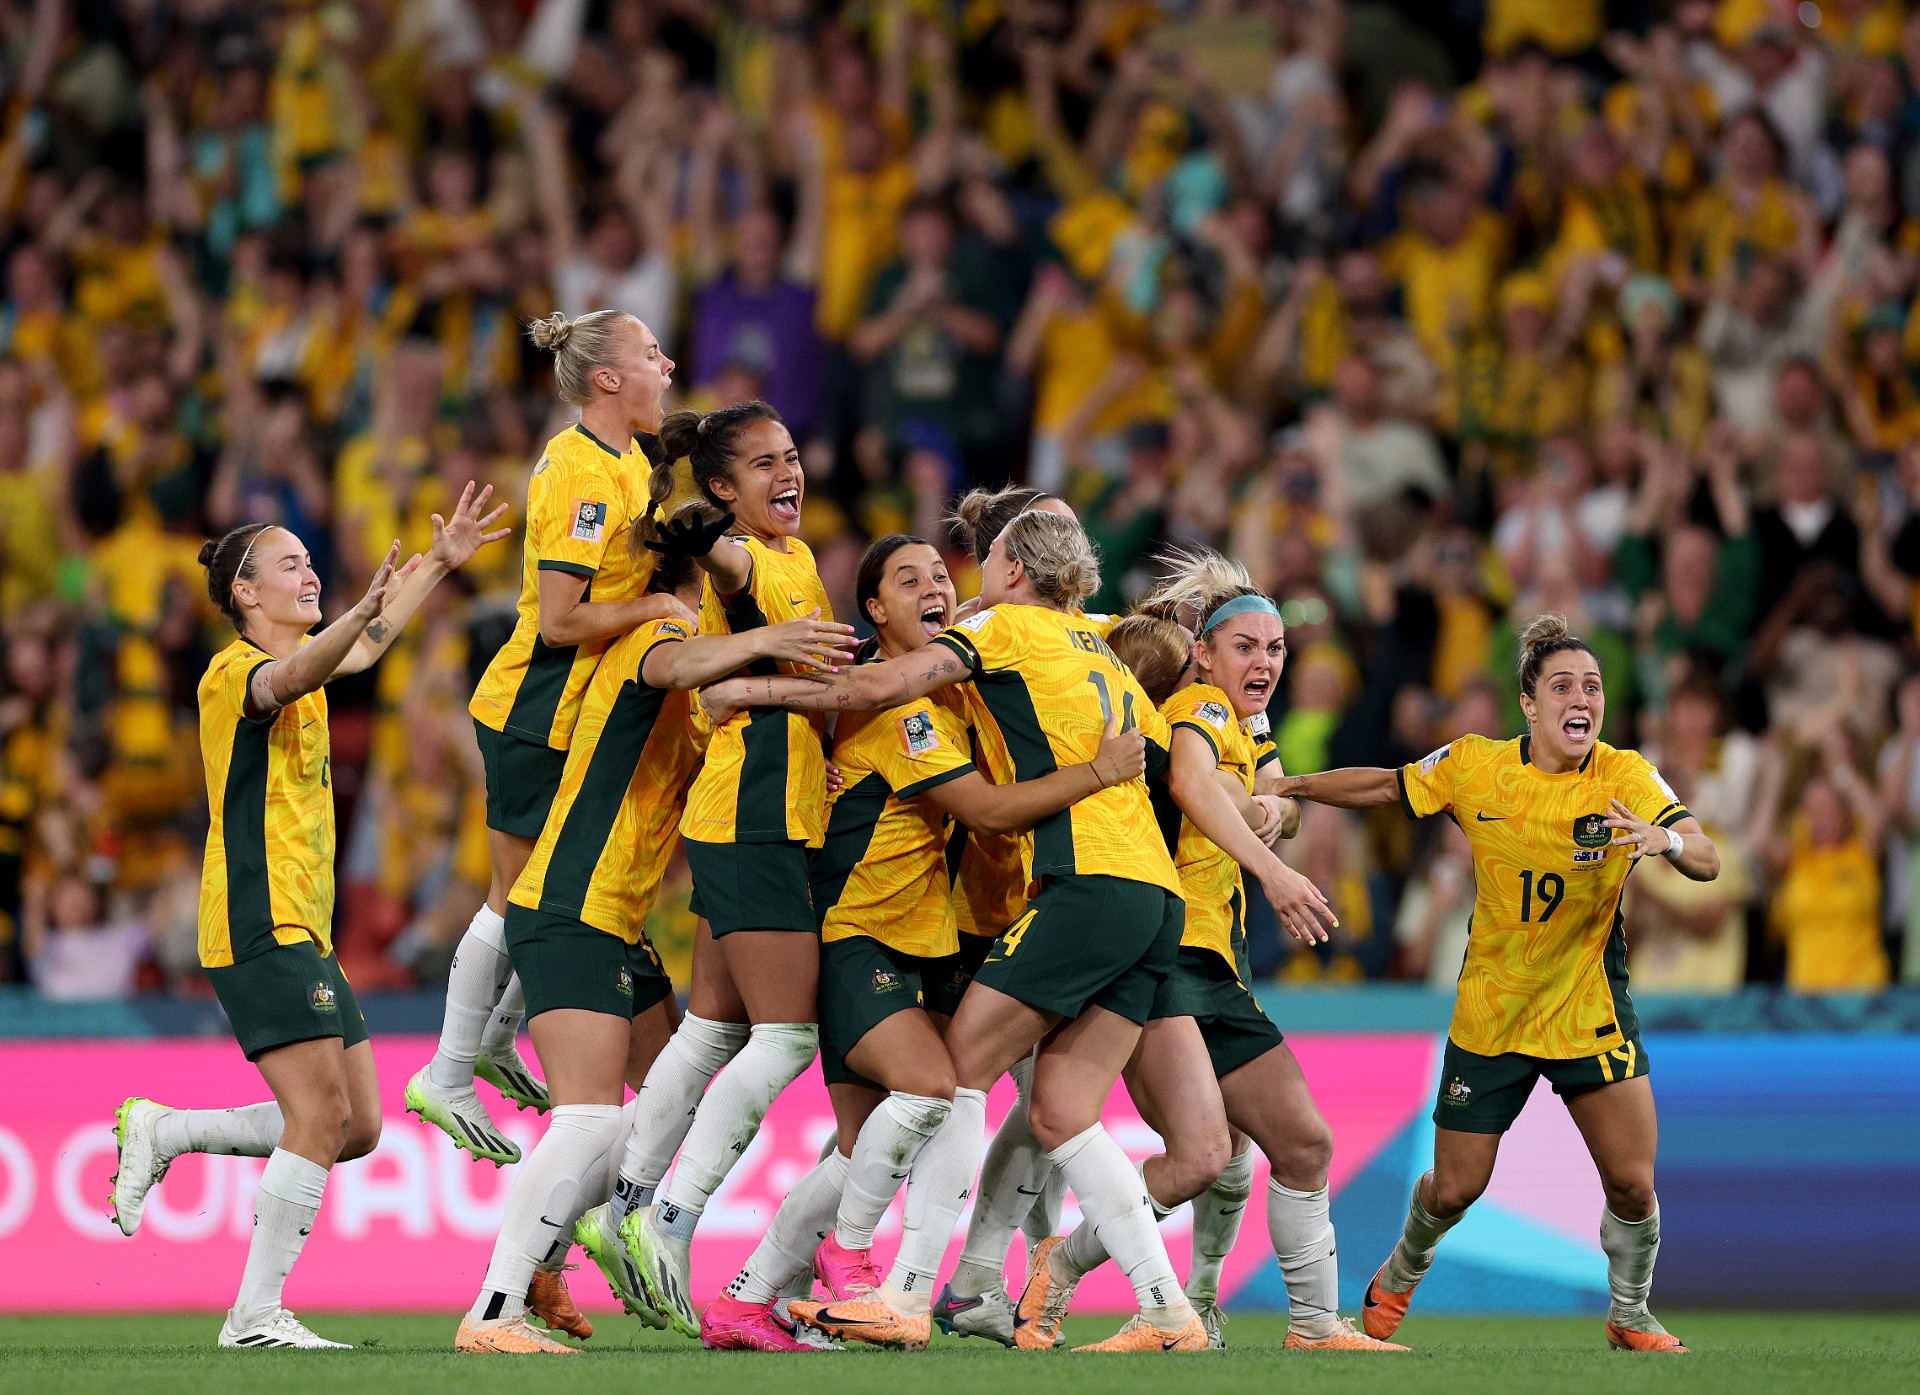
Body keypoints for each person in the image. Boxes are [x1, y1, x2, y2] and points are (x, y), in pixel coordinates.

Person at [702, 508, 1333, 1352]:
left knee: (949, 1077)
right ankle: (1164, 1307)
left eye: (987, 554)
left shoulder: (1005, 626)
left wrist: (749, 685)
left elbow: (880, 685)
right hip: (1155, 900)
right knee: (1065, 1110)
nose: (971, 571)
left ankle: (904, 1288)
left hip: (1085, 887)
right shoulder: (1102, 649)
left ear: (1015, 570)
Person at [702, 533, 1146, 1351]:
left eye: (942, 574)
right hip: (861, 937)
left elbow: (1066, 624)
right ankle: (854, 1261)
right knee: (936, 1088)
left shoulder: (964, 683)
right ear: (876, 608)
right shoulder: (905, 707)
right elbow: (982, 810)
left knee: (857, 1150)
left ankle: (746, 1297)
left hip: (929, 941)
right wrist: (1098, 771)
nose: (936, 585)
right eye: (909, 580)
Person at [109, 487, 509, 1350]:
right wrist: (359, 611)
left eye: (309, 558)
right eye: (290, 563)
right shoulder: (234, 672)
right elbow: (296, 671)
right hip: (258, 921)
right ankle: (253, 1315)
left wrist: (438, 563)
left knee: (355, 1127)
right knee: (318, 1120)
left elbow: (353, 651)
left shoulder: (318, 671)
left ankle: (166, 1129)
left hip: (306, 928)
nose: (310, 571)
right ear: (246, 593)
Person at [456, 507, 856, 1354]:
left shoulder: (686, 689)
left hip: (615, 918)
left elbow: (718, 699)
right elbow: (693, 662)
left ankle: (547, 1254)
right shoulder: (647, 640)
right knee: (592, 1121)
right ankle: (493, 1310)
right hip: (572, 903)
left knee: (651, 1106)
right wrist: (767, 638)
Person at [1275, 615, 1721, 1355]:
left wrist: (1665, 839)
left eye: (1593, 686)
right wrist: (1294, 783)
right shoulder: (1475, 765)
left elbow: (1706, 857)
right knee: (1453, 1189)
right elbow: (1386, 786)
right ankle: (1403, 1265)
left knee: (1635, 1185)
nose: (1583, 699)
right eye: (1564, 686)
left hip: (1588, 1010)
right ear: (1530, 703)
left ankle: (1631, 1311)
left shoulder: (1625, 774)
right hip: (1494, 1013)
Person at [1015, 570, 1402, 1354]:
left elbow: (1274, 799)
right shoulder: (1200, 707)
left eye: (1277, 647)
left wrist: (1269, 806)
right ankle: (1084, 1276)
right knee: (1203, 1156)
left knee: (1300, 1144)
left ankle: (1312, 1325)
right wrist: (1274, 863)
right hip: (1163, 956)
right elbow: (1195, 781)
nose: (1265, 660)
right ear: (1203, 651)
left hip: (1212, 962)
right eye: (1245, 646)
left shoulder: (1243, 721)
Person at [411, 308, 692, 1168]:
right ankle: (450, 1072)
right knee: (513, 893)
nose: (668, 363)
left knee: (537, 896)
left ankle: (488, 1046)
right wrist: (653, 604)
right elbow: (564, 619)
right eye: (651, 354)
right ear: (606, 378)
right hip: (538, 708)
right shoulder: (578, 470)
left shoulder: (630, 460)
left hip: (579, 715)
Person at [607, 400, 843, 1340]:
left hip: (763, 809)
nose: (787, 473)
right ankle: (671, 1220)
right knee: (784, 1041)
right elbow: (725, 567)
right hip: (752, 817)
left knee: (710, 1031)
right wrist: (704, 535)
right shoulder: (743, 558)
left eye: (792, 455)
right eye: (763, 464)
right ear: (721, 487)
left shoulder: (801, 558)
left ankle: (621, 1203)